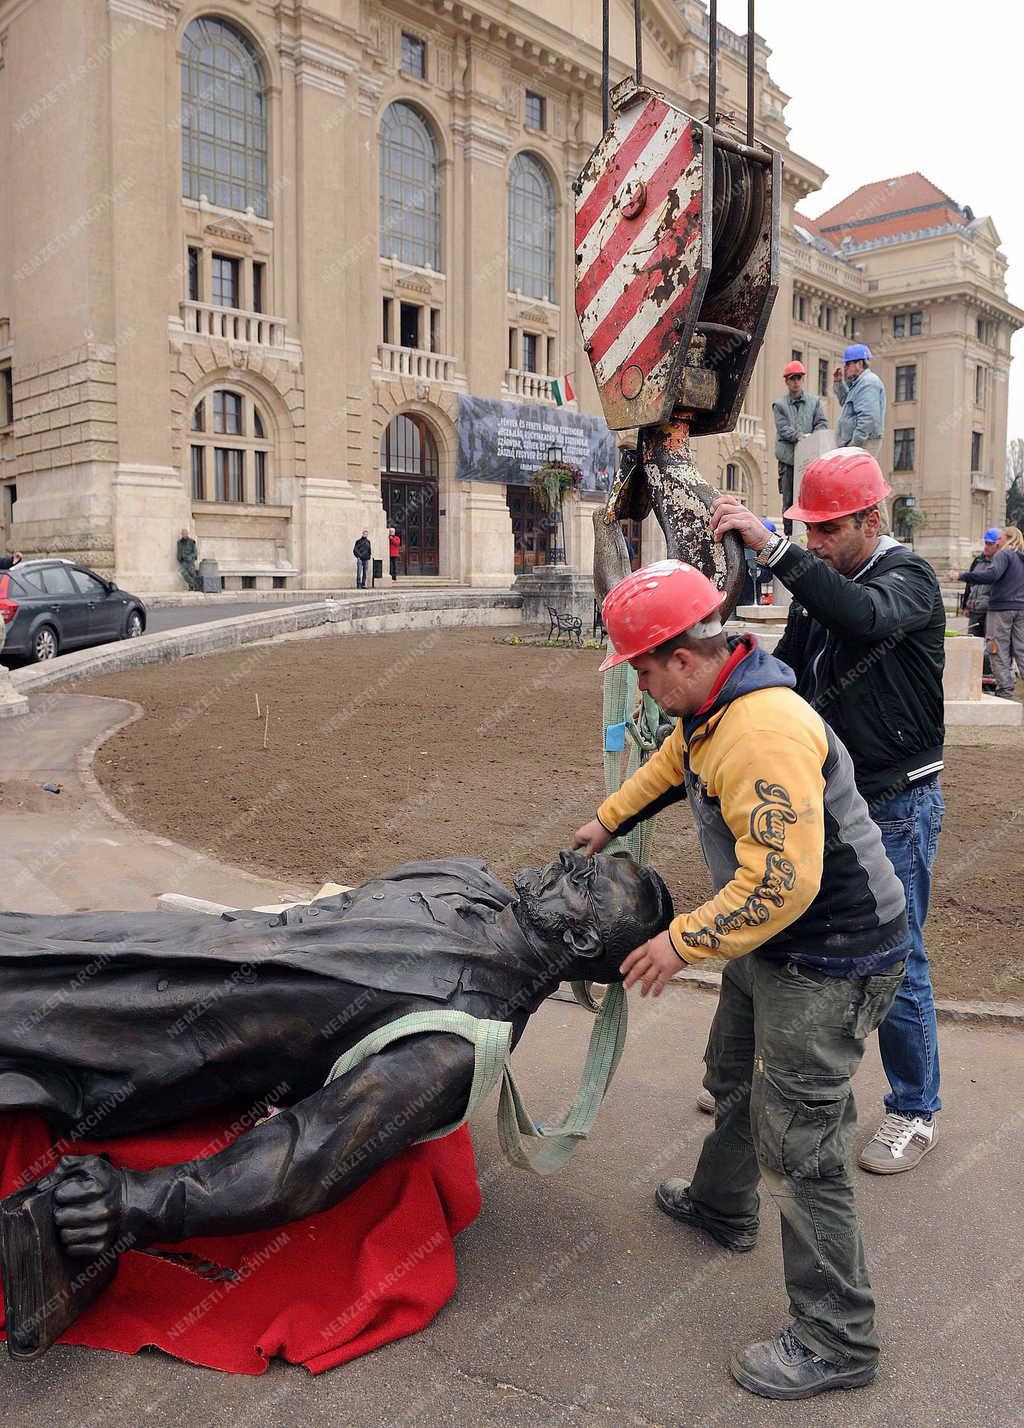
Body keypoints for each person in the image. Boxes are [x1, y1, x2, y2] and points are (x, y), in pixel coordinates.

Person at [0, 850, 671, 1350]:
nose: (564, 859)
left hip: (151, 1037)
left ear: (581, 941)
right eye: (583, 862)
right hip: (183, 944)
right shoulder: (463, 878)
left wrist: (134, 1203)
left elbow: (305, 1157)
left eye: (582, 882)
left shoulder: (453, 1041)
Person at [572, 560, 908, 1401]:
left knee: (802, 1148)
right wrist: (609, 818)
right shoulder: (715, 704)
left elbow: (779, 884)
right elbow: (678, 761)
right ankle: (723, 1207)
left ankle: (840, 1338)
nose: (642, 686)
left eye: (644, 670)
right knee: (731, 1078)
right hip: (778, 945)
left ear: (685, 657)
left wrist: (678, 943)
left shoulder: (760, 729)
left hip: (831, 954)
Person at [712, 447, 946, 1177]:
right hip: (830, 802)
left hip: (896, 802)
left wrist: (775, 550)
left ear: (871, 520)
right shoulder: (825, 582)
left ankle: (915, 1110)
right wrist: (719, 680)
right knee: (793, 934)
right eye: (804, 530)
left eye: (827, 530)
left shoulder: (906, 579)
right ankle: (792, 1080)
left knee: (897, 959)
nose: (814, 543)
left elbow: (865, 619)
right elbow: (785, 670)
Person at [950, 524, 1024, 699]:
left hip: (1001, 609)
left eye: (1000, 538)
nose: (997, 542)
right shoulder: (1021, 557)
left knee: (997, 648)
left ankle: (1005, 690)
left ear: (1008, 538)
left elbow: (991, 575)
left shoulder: (1004, 554)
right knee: (1021, 649)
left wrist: (962, 576)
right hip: (1021, 608)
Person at [772, 360, 826, 533]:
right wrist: (800, 437)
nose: (796, 381)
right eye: (792, 378)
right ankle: (789, 535)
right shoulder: (779, 405)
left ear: (802, 380)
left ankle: (810, 532)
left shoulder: (814, 402)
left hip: (809, 461)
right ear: (786, 381)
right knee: (788, 501)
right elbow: (783, 429)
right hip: (788, 460)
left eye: (798, 378)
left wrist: (814, 438)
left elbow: (821, 423)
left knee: (810, 498)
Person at [832, 344, 885, 459]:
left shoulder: (868, 383)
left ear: (859, 364)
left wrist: (854, 443)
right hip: (858, 443)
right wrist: (839, 383)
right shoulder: (859, 383)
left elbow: (867, 418)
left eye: (848, 363)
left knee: (858, 477)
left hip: (864, 443)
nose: (845, 367)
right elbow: (846, 402)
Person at [959, 528, 1000, 637]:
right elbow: (970, 583)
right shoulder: (978, 560)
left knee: (989, 644)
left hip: (990, 611)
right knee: (972, 641)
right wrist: (965, 606)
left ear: (998, 545)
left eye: (990, 544)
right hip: (974, 610)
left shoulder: (1000, 562)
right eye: (986, 543)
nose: (986, 547)